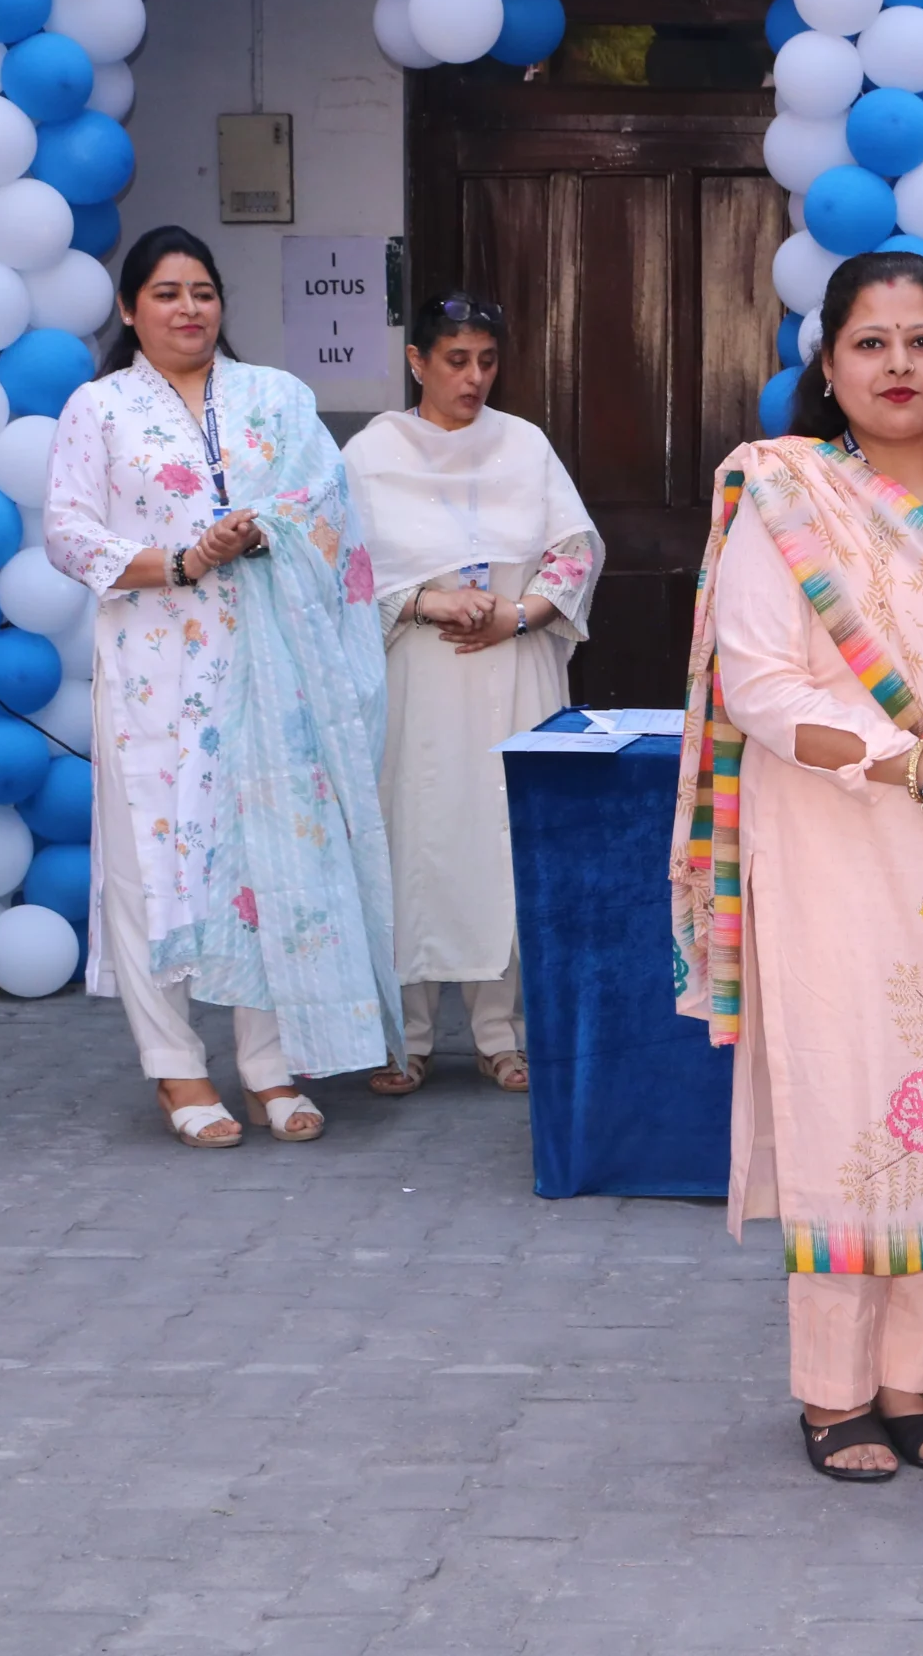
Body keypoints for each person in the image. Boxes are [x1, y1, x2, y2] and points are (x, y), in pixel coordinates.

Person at [666, 251, 923, 1483]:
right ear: (826, 367)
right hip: (835, 839)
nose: (899, 365)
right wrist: (918, 761)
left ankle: (914, 1382)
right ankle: (834, 1393)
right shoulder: (784, 493)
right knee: (852, 1100)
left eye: (922, 341)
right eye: (870, 344)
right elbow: (760, 687)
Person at [45, 225, 399, 1148]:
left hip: (270, 664)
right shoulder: (99, 409)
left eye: (202, 291)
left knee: (268, 859)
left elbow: (327, 504)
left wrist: (262, 529)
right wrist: (182, 560)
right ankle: (176, 1067)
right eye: (166, 293)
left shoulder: (276, 397)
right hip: (154, 675)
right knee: (150, 864)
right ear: (129, 310)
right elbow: (68, 533)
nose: (188, 309)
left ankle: (269, 1065)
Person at [346, 292, 603, 1098]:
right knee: (414, 836)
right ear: (417, 361)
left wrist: (520, 615)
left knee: (502, 838)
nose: (475, 378)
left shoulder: (522, 444)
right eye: (456, 360)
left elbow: (575, 550)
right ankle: (407, 1035)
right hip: (415, 671)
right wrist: (426, 602)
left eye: (487, 361)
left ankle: (501, 1034)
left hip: (512, 665)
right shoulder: (370, 455)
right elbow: (341, 572)